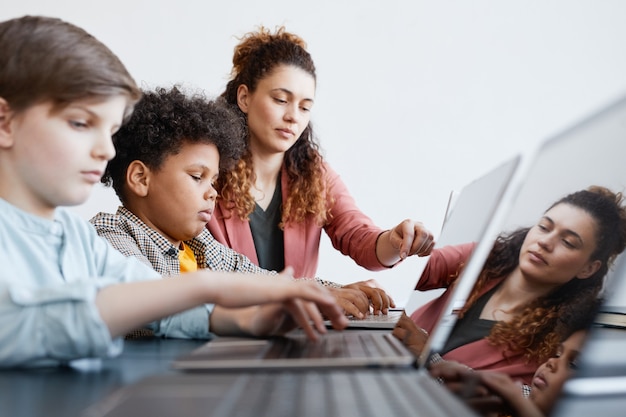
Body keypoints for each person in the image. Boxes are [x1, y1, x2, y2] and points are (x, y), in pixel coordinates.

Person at [0, 15, 347, 368]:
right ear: (6, 122)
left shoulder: (75, 238)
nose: (106, 150)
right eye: (80, 123)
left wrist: (246, 320)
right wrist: (206, 286)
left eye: (110, 131)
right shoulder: (93, 233)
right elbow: (32, 325)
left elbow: (154, 303)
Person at [91, 85, 379, 338]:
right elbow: (149, 304)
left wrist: (331, 291)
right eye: (196, 177)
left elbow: (262, 279)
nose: (212, 192)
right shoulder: (110, 238)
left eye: (214, 180)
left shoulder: (199, 247)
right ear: (141, 178)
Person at [207, 26, 436, 317]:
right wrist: (319, 292)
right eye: (280, 100)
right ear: (244, 98)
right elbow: (207, 274)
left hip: (295, 334)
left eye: (305, 107)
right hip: (227, 332)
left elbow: (358, 235)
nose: (292, 116)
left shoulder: (313, 174)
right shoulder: (207, 173)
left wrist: (396, 241)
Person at [407, 185, 626, 384]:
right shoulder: (484, 258)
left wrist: (427, 356)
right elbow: (411, 271)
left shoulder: (549, 349)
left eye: (567, 242)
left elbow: (485, 401)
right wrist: (401, 244)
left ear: (588, 268)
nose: (545, 242)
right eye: (544, 227)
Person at [428, 298, 603, 417]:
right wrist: (427, 354)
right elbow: (482, 384)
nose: (552, 363)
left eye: (573, 364)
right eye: (558, 354)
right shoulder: (523, 394)